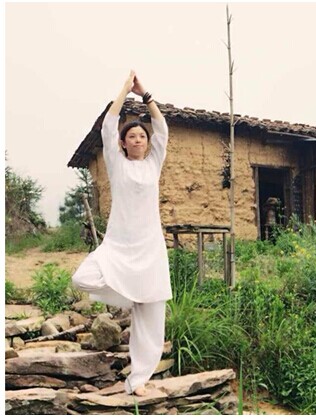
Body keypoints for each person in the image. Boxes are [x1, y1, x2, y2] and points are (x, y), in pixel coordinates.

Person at [72, 70, 172, 396]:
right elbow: (107, 126)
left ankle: (138, 380)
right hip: (118, 245)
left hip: (150, 247)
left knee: (152, 316)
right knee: (82, 278)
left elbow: (163, 129)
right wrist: (124, 91)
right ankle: (127, 294)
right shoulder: (117, 164)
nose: (138, 140)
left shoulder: (154, 163)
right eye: (132, 136)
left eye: (142, 136)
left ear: (147, 142)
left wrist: (146, 95)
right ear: (123, 143)